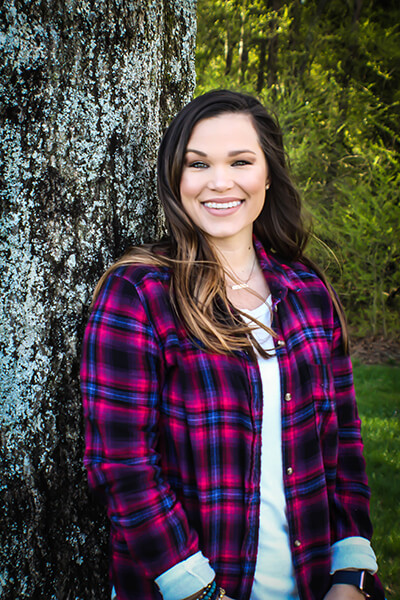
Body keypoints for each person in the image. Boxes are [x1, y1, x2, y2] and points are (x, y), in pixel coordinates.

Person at [80, 90, 384, 600]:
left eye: (240, 161)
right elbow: (122, 462)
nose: (219, 182)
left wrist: (350, 572)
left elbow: (344, 441)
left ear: (268, 173)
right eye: (198, 164)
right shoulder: (139, 293)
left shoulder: (307, 289)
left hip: (314, 583)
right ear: (175, 177)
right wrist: (197, 590)